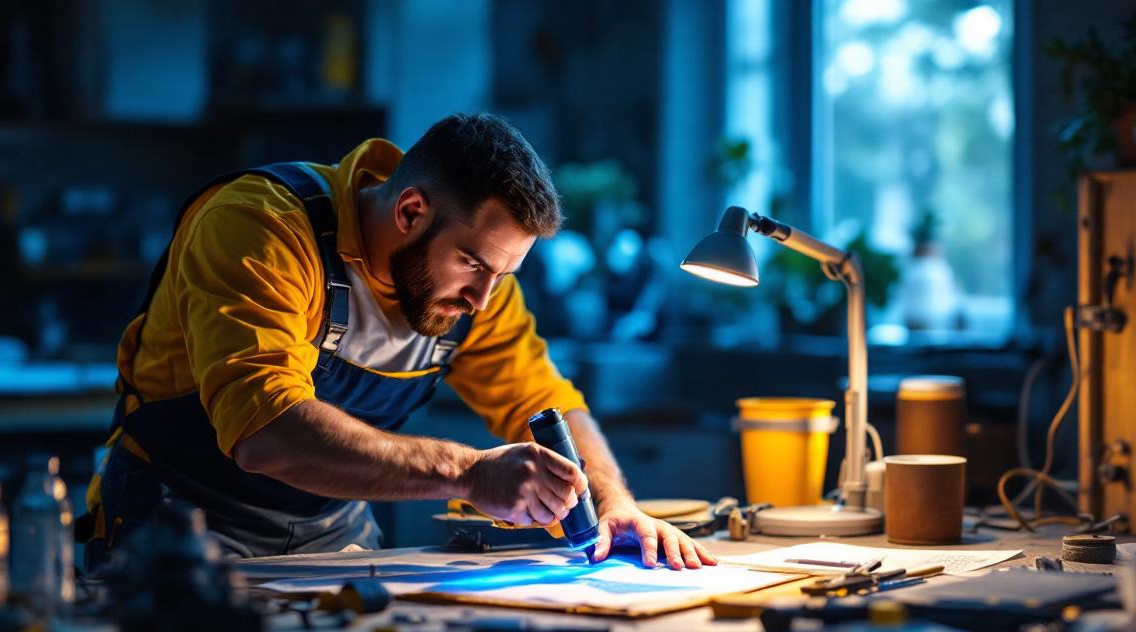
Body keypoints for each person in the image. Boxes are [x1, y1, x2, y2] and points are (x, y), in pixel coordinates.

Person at [85, 113, 715, 571]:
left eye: (504, 275)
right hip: (176, 531)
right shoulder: (261, 226)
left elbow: (543, 398)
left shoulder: (480, 290)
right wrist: (468, 473)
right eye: (472, 263)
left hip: (334, 533)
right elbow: (265, 432)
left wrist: (612, 500)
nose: (483, 300)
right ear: (410, 211)